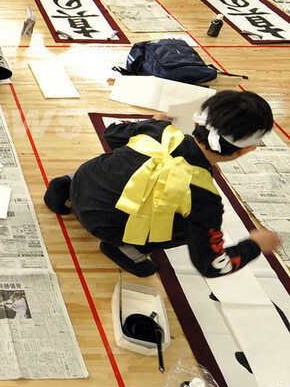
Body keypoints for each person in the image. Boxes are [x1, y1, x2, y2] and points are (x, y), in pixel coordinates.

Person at [44, 92, 280, 277]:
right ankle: (125, 249)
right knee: (188, 226)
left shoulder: (159, 129)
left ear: (198, 119)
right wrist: (255, 245)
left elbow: (111, 135)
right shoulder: (205, 198)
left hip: (84, 183)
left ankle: (64, 185)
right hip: (107, 227)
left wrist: (151, 122)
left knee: (118, 161)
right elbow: (212, 265)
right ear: (246, 150)